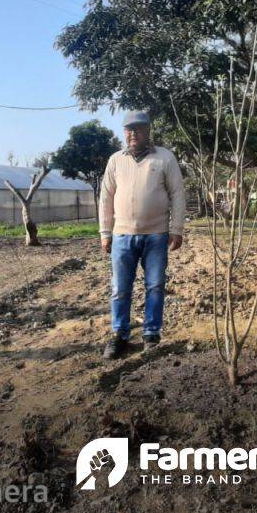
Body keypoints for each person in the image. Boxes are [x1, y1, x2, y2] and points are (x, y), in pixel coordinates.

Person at [98, 111, 186, 359]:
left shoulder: (165, 158)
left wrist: (177, 229)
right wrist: (105, 233)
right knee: (119, 288)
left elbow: (178, 193)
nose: (133, 133)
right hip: (122, 237)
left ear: (148, 130)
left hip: (156, 235)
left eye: (138, 129)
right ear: (124, 132)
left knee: (155, 286)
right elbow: (106, 198)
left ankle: (151, 334)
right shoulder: (116, 160)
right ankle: (120, 335)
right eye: (128, 129)